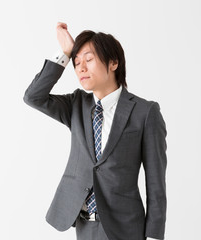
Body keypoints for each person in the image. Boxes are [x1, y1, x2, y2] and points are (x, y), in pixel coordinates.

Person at [23, 22, 167, 240]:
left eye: (89, 60)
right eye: (77, 62)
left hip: (125, 229)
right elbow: (33, 97)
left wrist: (155, 236)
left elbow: (156, 181)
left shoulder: (145, 112)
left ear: (113, 63)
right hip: (83, 225)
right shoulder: (76, 105)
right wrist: (64, 53)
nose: (81, 68)